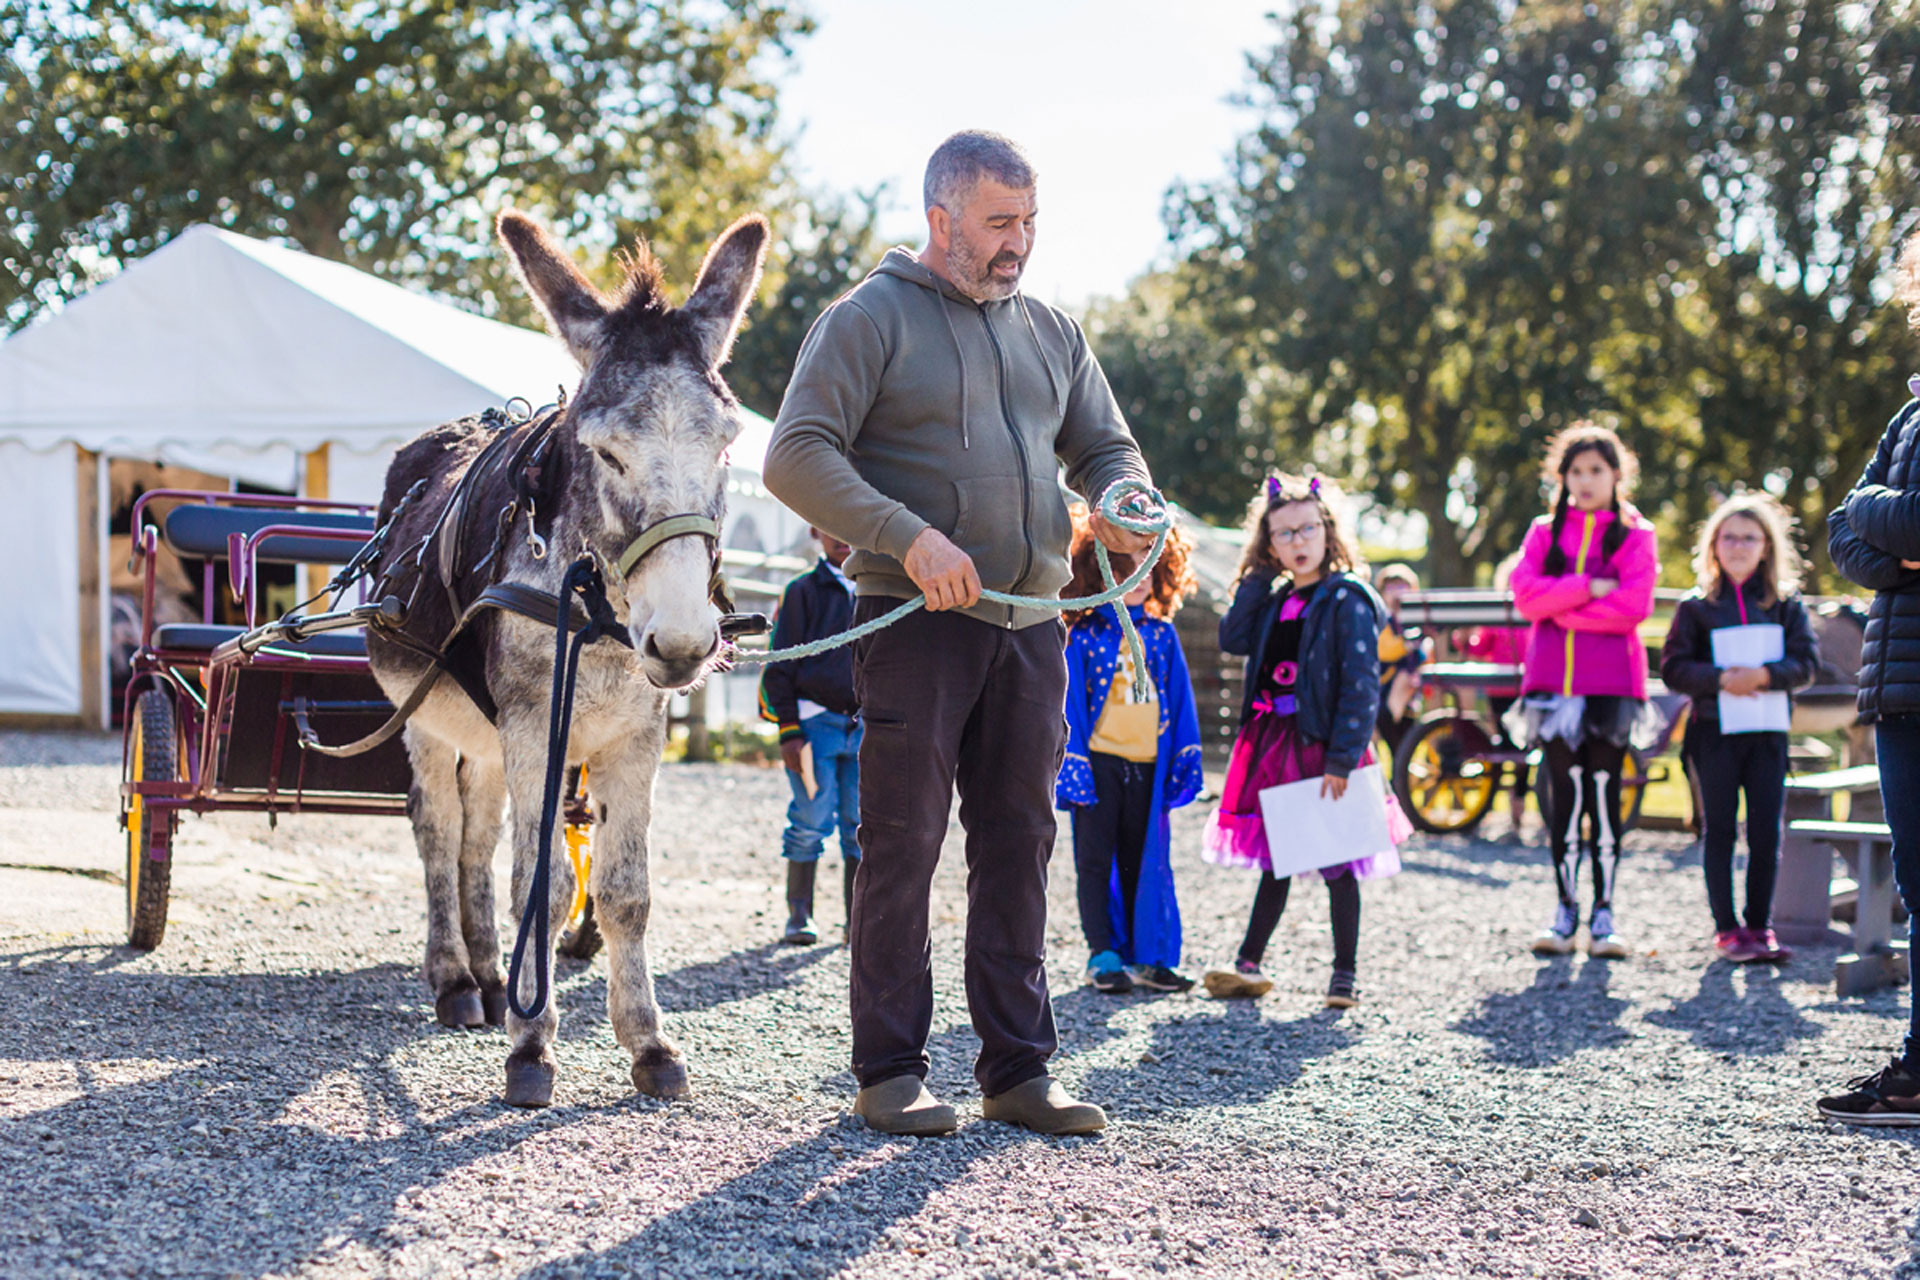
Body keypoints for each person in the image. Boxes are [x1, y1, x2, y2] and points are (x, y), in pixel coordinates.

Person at [763, 130, 1156, 1138]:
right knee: (901, 841)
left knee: (1020, 841)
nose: (1019, 242)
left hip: (1032, 627)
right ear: (942, 220)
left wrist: (1122, 495)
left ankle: (1018, 1071)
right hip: (914, 625)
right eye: (999, 223)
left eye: (1029, 221)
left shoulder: (1052, 330)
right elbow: (795, 455)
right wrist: (906, 535)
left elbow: (1104, 444)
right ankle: (889, 1069)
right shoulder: (866, 317)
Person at [1201, 474, 1407, 1008]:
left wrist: (1343, 757)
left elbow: (1361, 687)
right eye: (1283, 534)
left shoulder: (1347, 599)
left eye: (1306, 529)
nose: (1297, 542)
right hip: (1275, 742)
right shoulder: (1273, 600)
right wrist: (1255, 576)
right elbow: (1233, 636)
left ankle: (1344, 974)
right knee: (1279, 856)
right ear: (1268, 545)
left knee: (1337, 861)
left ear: (1328, 532)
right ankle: (1248, 961)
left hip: (1323, 744)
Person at [1818, 233, 1920, 1124]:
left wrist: (1874, 516)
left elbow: (1876, 514)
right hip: (1898, 686)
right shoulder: (1909, 413)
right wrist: (1897, 547)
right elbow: (1841, 533)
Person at [1506, 423, 1658, 960]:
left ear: (1617, 474)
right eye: (1576, 471)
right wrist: (1588, 588)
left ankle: (1605, 916)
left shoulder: (1637, 534)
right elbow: (1525, 597)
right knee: (1562, 802)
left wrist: (1562, 610)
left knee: (1604, 797)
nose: (1586, 480)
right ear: (1563, 477)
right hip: (1550, 687)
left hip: (1611, 687)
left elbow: (1634, 607)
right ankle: (1565, 911)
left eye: (1597, 470)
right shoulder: (1543, 533)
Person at [1660, 494, 1817, 965]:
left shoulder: (1786, 605)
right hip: (1713, 734)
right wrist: (1721, 679)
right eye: (1728, 537)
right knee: (1721, 830)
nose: (1738, 546)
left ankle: (1759, 926)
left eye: (1749, 537)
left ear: (1767, 546)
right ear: (1713, 545)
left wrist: (1765, 675)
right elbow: (1672, 667)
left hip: (1768, 736)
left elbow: (1807, 664)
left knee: (1766, 831)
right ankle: (1726, 930)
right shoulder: (1696, 607)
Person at [1056, 510, 1204, 996]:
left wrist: (1185, 760)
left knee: (1146, 861)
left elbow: (1179, 701)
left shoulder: (1162, 634)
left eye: (1145, 562)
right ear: (1096, 572)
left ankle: (1149, 955)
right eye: (1121, 568)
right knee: (1095, 861)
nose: (1135, 578)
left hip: (1148, 769)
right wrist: (1072, 768)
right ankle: (1102, 953)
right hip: (1098, 767)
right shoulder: (1082, 635)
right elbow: (1071, 708)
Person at [757, 527, 861, 946]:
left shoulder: (876, 592)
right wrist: (789, 731)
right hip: (814, 725)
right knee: (810, 819)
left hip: (866, 726)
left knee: (862, 824)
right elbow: (779, 664)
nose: (843, 537)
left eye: (848, 525)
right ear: (816, 531)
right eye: (831, 528)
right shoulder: (801, 592)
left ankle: (858, 921)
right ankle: (799, 914)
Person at [1454, 550, 1530, 839]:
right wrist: (1465, 640)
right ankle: (1513, 809)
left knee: (1519, 750)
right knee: (1509, 747)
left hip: (1524, 691)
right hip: (1504, 691)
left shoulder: (1523, 617)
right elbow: (1479, 646)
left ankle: (1518, 810)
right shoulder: (1498, 618)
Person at [1372, 563, 1428, 755]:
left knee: (1404, 739)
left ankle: (1401, 774)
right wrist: (1405, 645)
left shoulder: (1416, 622)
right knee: (1382, 726)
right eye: (1391, 588)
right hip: (1382, 687)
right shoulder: (1382, 621)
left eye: (1403, 587)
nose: (1397, 594)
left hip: (1407, 689)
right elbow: (1384, 650)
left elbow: (1423, 654)